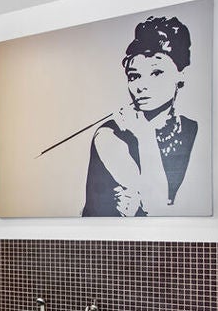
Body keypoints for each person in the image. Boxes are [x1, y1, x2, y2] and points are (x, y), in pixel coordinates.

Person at [82, 16, 199, 216]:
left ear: (181, 75)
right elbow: (156, 205)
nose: (142, 86)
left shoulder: (192, 129)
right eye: (135, 76)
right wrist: (144, 134)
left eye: (156, 73)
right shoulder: (110, 134)